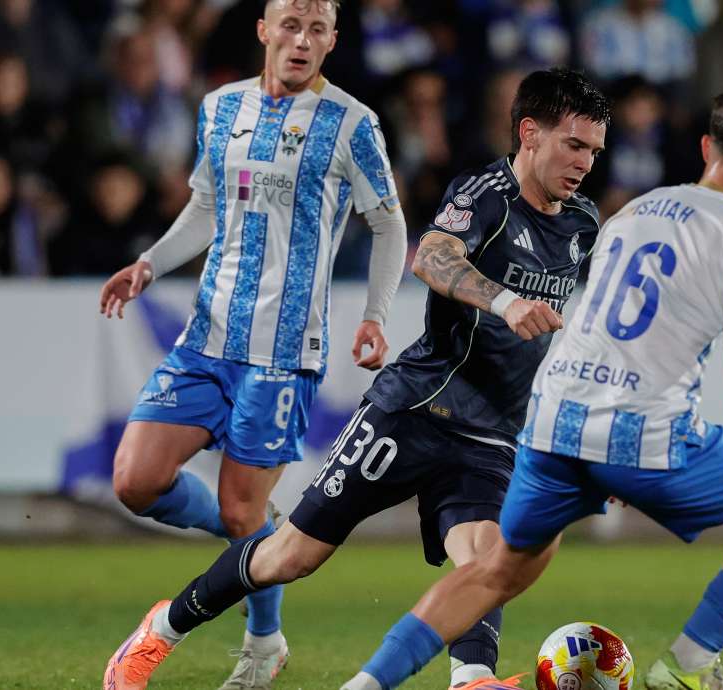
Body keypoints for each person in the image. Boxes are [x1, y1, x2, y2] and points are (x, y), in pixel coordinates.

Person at [102, 67, 611, 690]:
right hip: (416, 410)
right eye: (574, 145)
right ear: (530, 133)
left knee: (487, 560)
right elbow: (433, 256)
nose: (586, 162)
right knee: (291, 555)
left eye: (594, 150)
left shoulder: (582, 223)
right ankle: (161, 630)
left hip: (494, 432)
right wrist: (505, 302)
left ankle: (472, 679)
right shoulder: (485, 196)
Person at [337, 83, 723, 690]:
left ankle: (364, 685)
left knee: (497, 571)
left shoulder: (635, 213)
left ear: (707, 146)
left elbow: (593, 324)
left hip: (553, 422)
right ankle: (688, 665)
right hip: (635, 434)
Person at [98, 1, 408, 687]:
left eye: (317, 29)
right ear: (265, 31)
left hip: (283, 352)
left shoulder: (352, 124)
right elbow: (207, 205)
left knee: (242, 509)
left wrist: (375, 315)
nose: (301, 40)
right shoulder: (219, 108)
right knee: (134, 481)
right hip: (207, 336)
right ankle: (262, 536)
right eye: (290, 26)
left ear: (331, 41)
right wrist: (149, 262)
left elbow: (389, 226)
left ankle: (263, 641)